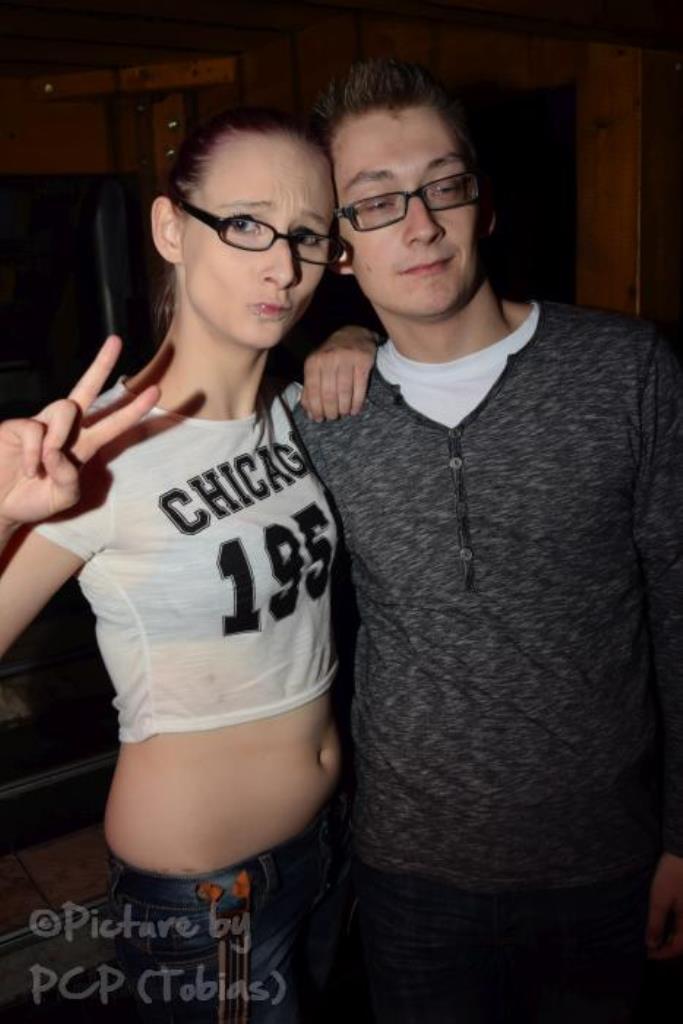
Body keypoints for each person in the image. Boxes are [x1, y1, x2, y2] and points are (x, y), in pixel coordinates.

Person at [295, 58, 683, 1023]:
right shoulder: (318, 418)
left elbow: (680, 613)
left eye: (444, 185)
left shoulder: (625, 371)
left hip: (606, 862)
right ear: (338, 248)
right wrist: (342, 341)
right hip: (407, 873)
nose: (420, 224)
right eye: (375, 202)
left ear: (486, 203)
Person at [0, 107, 351, 1023]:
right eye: (245, 224)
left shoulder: (291, 410)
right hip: (206, 896)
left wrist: (352, 339)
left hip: (327, 846)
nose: (283, 266)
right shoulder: (100, 451)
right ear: (170, 230)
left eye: (309, 235)